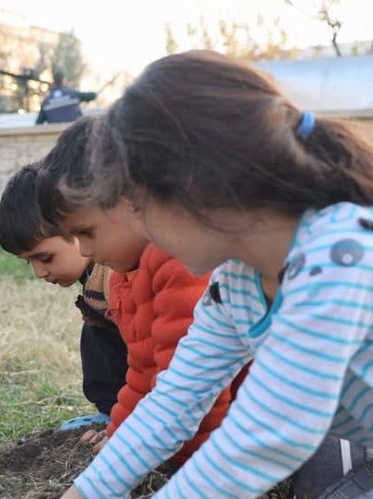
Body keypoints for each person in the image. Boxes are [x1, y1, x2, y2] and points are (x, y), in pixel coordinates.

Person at [57, 50, 373, 499]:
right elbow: (172, 403)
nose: (143, 229)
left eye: (139, 207)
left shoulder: (343, 257)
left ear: (195, 186)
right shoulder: (237, 284)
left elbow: (265, 439)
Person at [36, 117, 240, 463]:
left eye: (87, 232)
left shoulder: (180, 263)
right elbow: (143, 374)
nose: (85, 251)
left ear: (131, 201)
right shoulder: (121, 277)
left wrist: (178, 466)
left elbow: (199, 395)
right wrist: (120, 433)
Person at [0, 163, 128, 431]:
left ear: (77, 226)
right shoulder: (93, 276)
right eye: (28, 262)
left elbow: (147, 354)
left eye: (45, 258)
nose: (39, 273)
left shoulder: (116, 275)